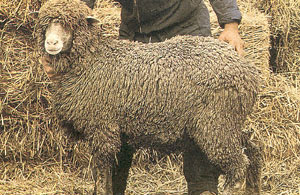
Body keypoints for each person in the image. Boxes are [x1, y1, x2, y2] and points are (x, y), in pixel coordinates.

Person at [47, 1, 245, 194]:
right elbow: (77, 6)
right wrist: (63, 38)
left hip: (185, 28)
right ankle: (111, 189)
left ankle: (203, 187)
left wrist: (230, 24)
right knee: (113, 111)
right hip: (136, 34)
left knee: (198, 110)